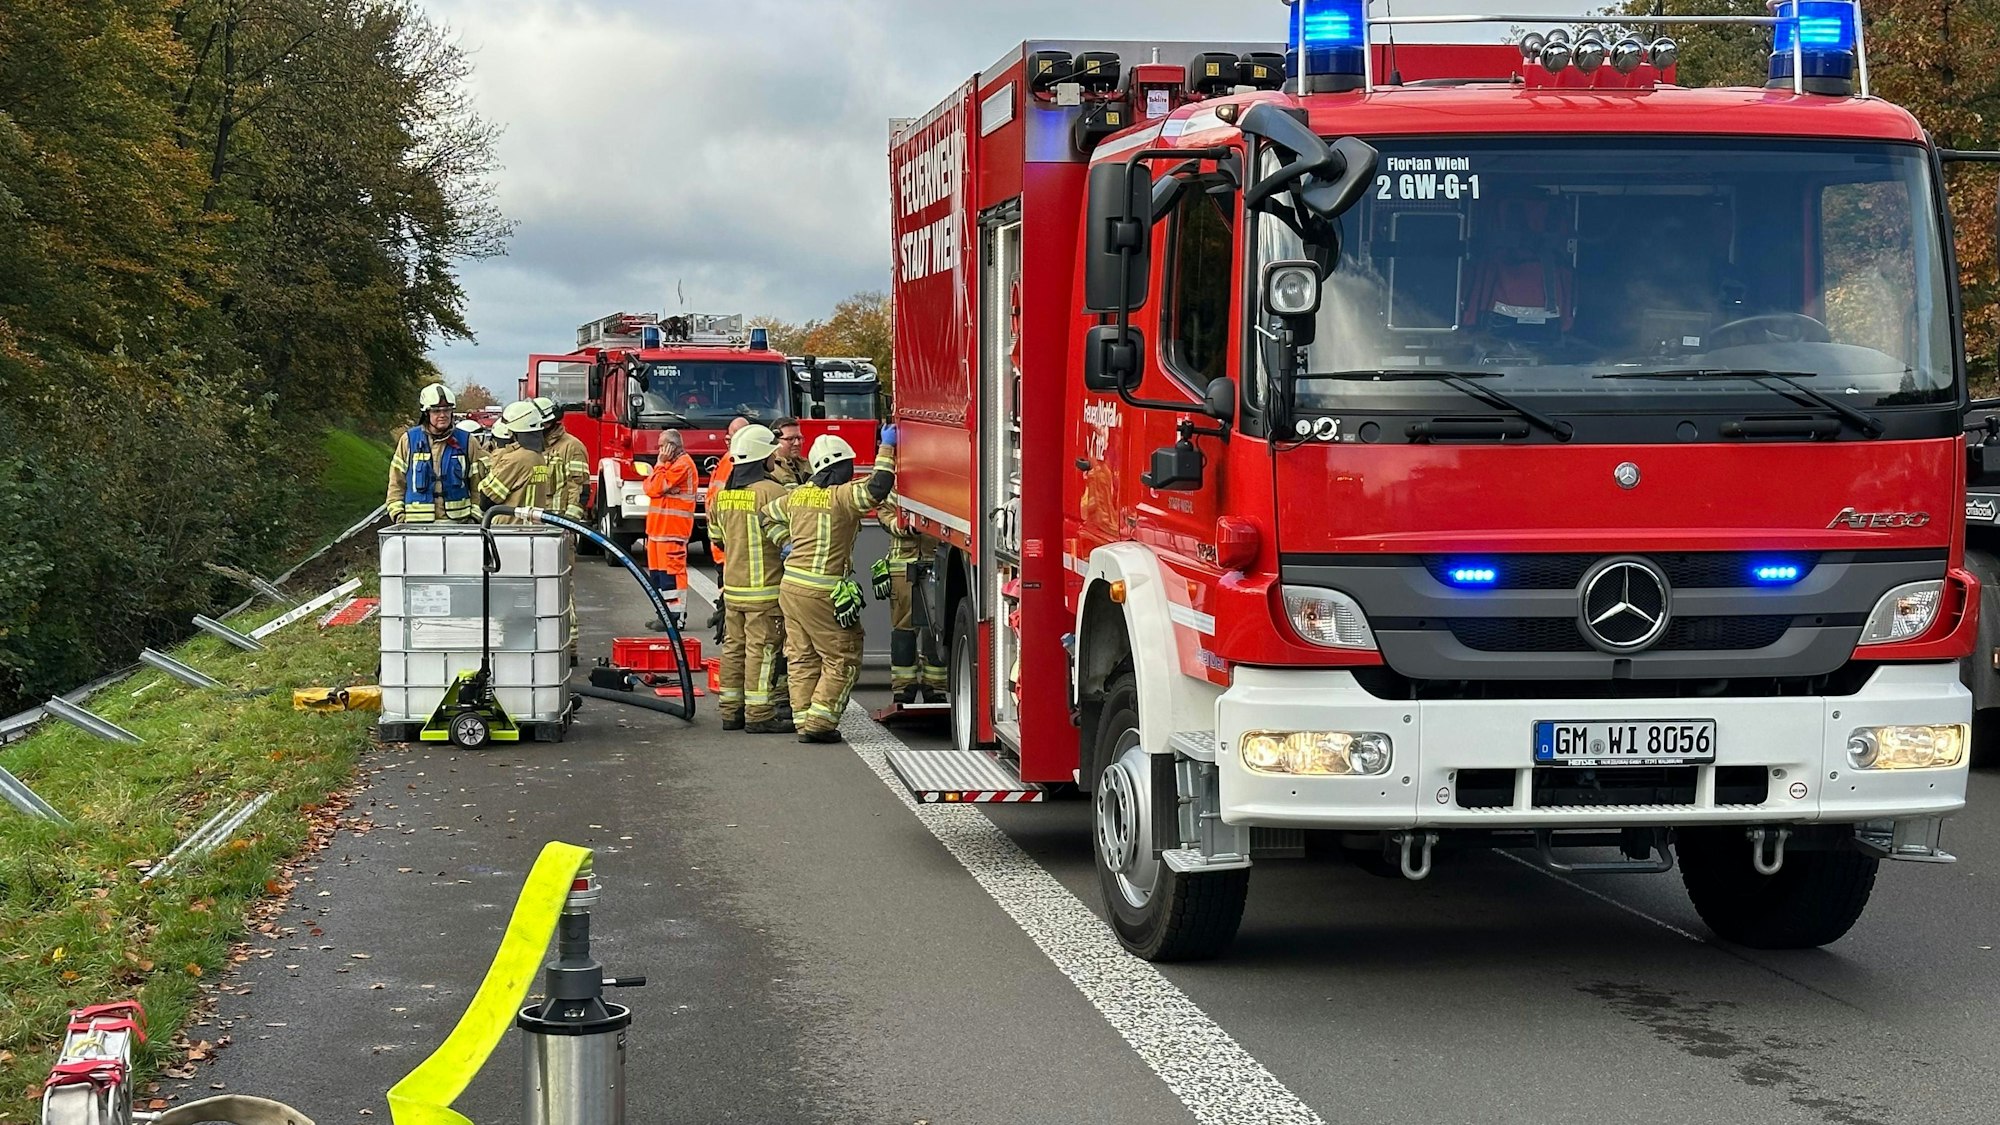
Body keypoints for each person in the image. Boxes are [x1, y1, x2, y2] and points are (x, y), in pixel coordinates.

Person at [763, 427, 897, 744]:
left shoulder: (796, 495)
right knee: (843, 654)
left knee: (802, 656)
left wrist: (786, 543)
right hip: (822, 591)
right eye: (848, 465)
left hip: (791, 587)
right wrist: (887, 448)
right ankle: (820, 723)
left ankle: (803, 719)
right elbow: (878, 486)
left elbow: (766, 515)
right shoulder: (841, 496)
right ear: (837, 466)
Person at [712, 424, 794, 733]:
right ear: (762, 457)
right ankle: (759, 714)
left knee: (734, 649)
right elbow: (791, 537)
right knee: (763, 650)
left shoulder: (723, 496)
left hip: (734, 590)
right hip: (765, 591)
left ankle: (731, 711)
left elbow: (717, 539)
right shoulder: (772, 492)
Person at [876, 494, 946, 704]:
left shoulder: (938, 487)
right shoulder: (893, 490)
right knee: (904, 631)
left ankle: (935, 687)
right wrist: (909, 526)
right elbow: (886, 518)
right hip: (903, 569)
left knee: (935, 629)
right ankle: (904, 688)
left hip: (935, 562)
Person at [387, 383, 475, 524]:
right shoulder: (408, 440)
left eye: (447, 410)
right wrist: (398, 515)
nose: (443, 415)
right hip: (416, 526)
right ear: (426, 413)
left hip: (459, 525)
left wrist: (474, 519)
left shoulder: (467, 441)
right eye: (436, 411)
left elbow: (479, 485)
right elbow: (396, 482)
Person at [643, 428, 698, 631]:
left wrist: (659, 465)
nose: (659, 450)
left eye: (661, 446)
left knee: (672, 578)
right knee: (658, 578)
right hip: (657, 532)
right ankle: (663, 615)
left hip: (673, 531)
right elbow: (649, 488)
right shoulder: (669, 465)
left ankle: (676, 617)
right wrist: (660, 471)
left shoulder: (683, 464)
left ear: (671, 446)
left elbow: (656, 487)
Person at [477, 400, 557, 524]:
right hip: (534, 528)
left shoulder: (516, 459)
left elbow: (486, 500)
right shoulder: (538, 456)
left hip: (511, 529)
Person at [533, 397, 592, 523]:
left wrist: (569, 522)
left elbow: (579, 489)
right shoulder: (532, 448)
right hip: (533, 523)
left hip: (557, 523)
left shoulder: (572, 447)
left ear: (546, 423)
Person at [769, 416, 809, 486]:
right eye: (790, 439)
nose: (797, 443)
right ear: (775, 441)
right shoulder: (770, 470)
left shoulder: (807, 465)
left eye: (799, 438)